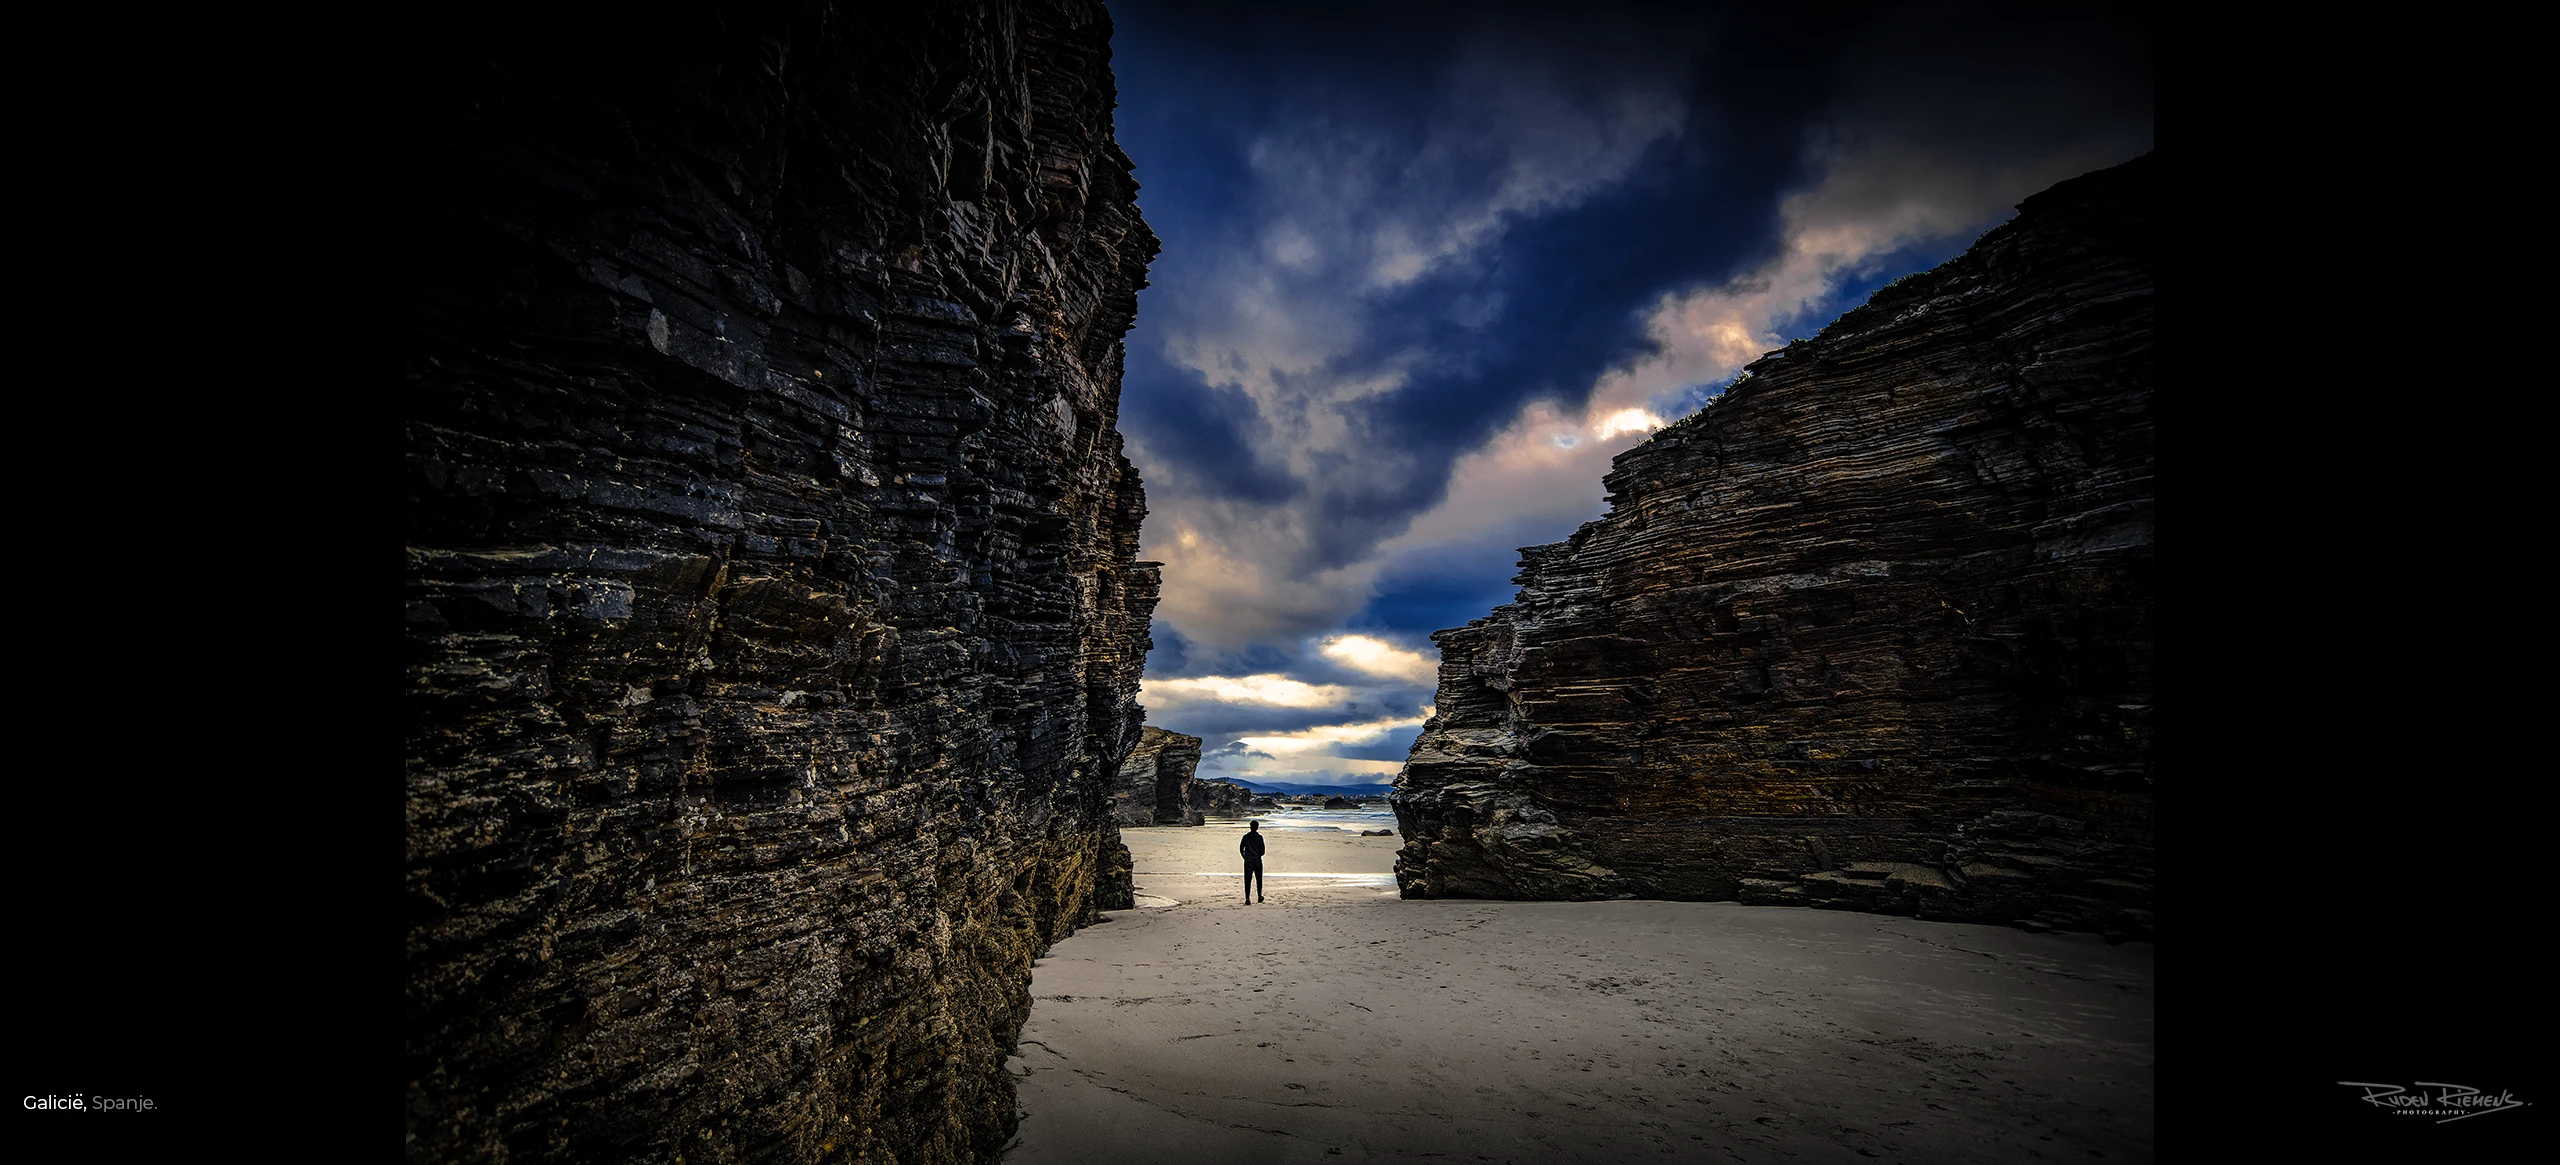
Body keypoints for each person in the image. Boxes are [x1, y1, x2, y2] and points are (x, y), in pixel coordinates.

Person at [1240, 820, 1266, 903]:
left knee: (1247, 879)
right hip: (1257, 860)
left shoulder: (1246, 837)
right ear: (1257, 827)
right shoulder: (1259, 837)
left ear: (1250, 827)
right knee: (1259, 879)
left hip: (1248, 860)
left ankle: (1247, 898)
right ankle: (1259, 896)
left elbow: (1241, 848)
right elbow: (1262, 851)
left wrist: (1244, 856)